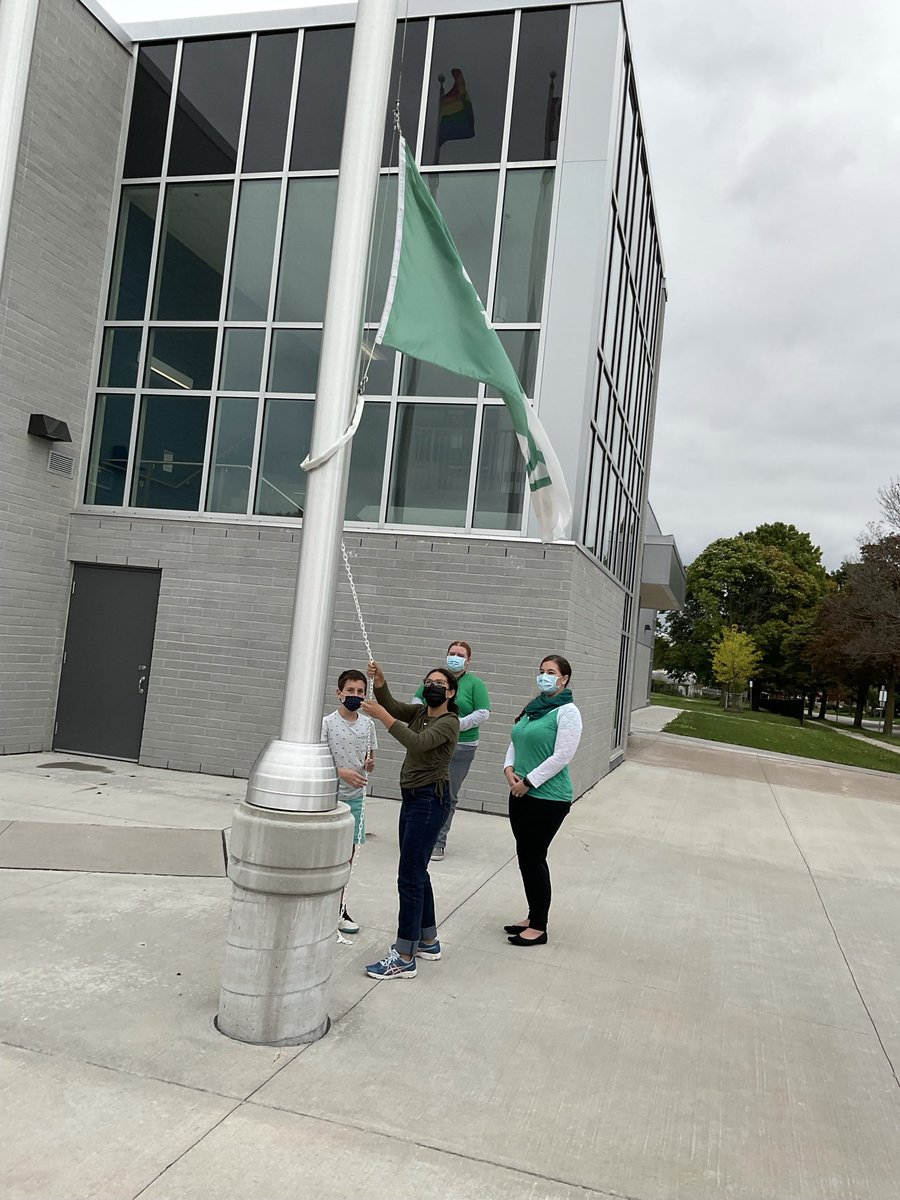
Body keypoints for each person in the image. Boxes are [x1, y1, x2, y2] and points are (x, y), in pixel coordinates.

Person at [361, 661, 459, 979]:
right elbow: (392, 706)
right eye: (428, 682)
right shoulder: (419, 713)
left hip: (430, 801)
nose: (433, 687)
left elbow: (417, 742)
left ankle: (404, 956)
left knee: (409, 876)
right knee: (417, 871)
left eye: (440, 684)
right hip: (414, 799)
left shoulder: (449, 722)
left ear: (451, 692)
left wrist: (382, 716)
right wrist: (380, 682)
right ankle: (428, 941)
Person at [503, 654, 582, 947]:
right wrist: (508, 768)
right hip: (520, 791)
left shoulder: (568, 712)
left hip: (548, 797)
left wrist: (529, 782)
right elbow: (516, 739)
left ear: (564, 679)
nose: (544, 676)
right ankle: (532, 914)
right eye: (541, 671)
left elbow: (562, 756)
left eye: (551, 672)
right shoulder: (534, 708)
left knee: (534, 858)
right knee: (526, 857)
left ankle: (539, 926)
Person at [412, 639, 491, 860]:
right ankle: (419, 836)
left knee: (447, 794)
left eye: (460, 655)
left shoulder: (475, 684)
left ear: (468, 660)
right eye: (452, 653)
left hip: (461, 746)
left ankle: (438, 842)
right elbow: (417, 699)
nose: (455, 658)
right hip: (432, 741)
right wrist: (427, 720)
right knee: (424, 790)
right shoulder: (437, 678)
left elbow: (483, 713)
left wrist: (454, 724)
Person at [321, 669, 377, 935]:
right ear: (339, 693)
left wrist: (369, 764)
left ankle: (339, 908)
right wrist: (341, 772)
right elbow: (318, 759)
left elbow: (369, 757)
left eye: (360, 691)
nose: (355, 695)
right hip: (329, 798)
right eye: (350, 691)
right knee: (325, 854)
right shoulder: (326, 724)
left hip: (355, 800)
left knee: (347, 857)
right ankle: (320, 905)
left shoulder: (368, 725)